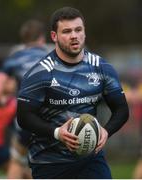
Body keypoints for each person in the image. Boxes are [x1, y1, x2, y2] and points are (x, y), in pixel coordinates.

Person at [17, 7, 129, 179]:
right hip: (49, 162)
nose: (74, 35)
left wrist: (107, 131)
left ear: (84, 32)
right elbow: (24, 117)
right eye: (67, 31)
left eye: (78, 30)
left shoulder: (101, 68)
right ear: (54, 36)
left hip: (90, 160)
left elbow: (121, 109)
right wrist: (57, 132)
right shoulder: (40, 73)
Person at [0, 19, 48, 178]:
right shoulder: (53, 56)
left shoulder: (14, 58)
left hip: (25, 118)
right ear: (42, 38)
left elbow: (0, 87)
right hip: (50, 119)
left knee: (17, 160)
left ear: (24, 39)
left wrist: (2, 101)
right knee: (49, 162)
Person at [0, 74, 16, 169]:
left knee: (19, 167)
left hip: (2, 146)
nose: (14, 84)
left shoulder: (13, 103)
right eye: (10, 81)